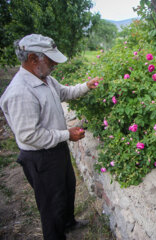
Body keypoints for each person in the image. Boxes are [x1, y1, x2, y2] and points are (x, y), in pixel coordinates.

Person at [0, 34, 98, 240]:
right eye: (50, 59)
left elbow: (65, 93)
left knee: (67, 187)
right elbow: (29, 136)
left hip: (56, 149)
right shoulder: (20, 92)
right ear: (34, 59)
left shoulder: (45, 79)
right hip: (41, 158)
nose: (54, 64)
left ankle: (69, 223)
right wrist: (66, 134)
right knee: (51, 204)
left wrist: (86, 86)